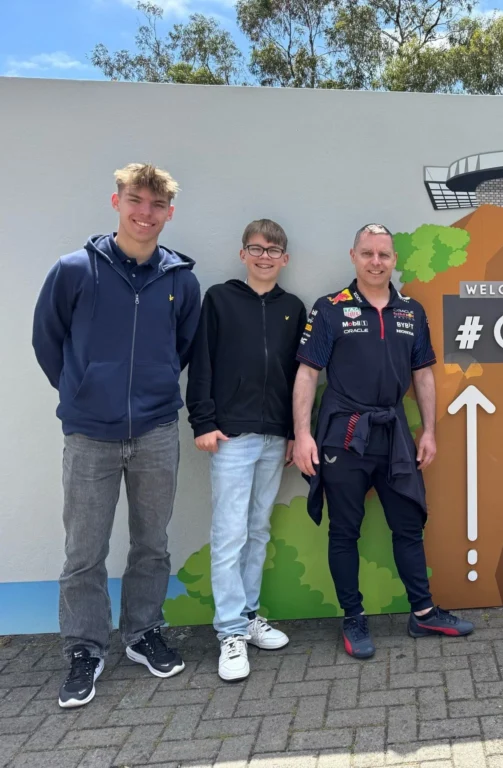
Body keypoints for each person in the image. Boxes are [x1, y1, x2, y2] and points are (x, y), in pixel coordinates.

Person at [32, 163, 201, 707]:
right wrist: (81, 392)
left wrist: (150, 393)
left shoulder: (180, 280)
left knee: (152, 544)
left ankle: (142, 633)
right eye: (136, 200)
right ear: (116, 201)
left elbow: (185, 348)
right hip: (90, 436)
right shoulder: (75, 269)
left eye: (156, 205)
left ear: (169, 213)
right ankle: (85, 648)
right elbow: (47, 340)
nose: (144, 213)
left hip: (154, 431)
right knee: (84, 551)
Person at [291, 223, 473, 659]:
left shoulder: (412, 311)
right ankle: (353, 617)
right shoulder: (329, 309)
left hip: (393, 435)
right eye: (368, 253)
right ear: (353, 256)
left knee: (408, 525)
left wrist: (428, 430)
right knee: (345, 531)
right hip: (343, 434)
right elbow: (307, 374)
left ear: (394, 260)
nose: (376, 262)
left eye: (384, 255)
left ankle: (423, 612)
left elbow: (423, 373)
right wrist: (302, 435)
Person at [185, 219, 307, 682]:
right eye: (256, 248)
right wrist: (204, 420)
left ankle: (250, 615)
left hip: (275, 437)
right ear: (243, 253)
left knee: (257, 529)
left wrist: (297, 431)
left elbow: (301, 376)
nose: (264, 256)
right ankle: (230, 633)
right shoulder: (218, 299)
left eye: (273, 250)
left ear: (285, 259)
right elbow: (202, 362)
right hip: (231, 436)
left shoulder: (294, 308)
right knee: (230, 533)